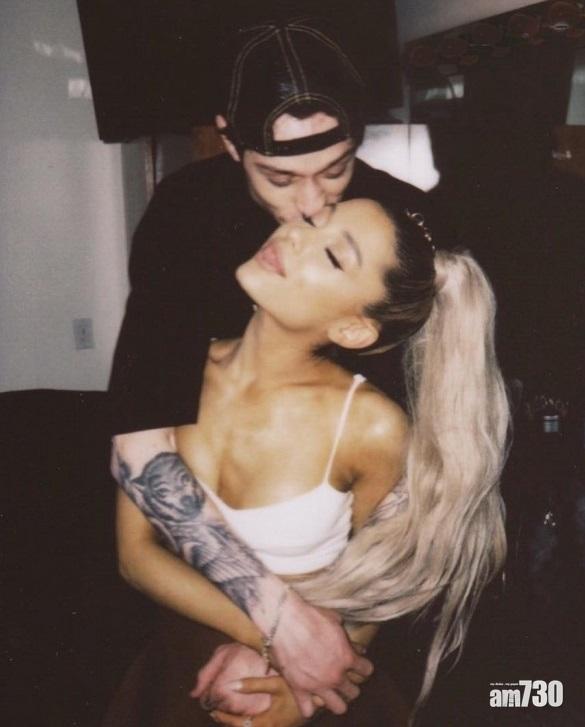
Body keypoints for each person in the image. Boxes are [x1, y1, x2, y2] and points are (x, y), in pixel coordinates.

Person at [108, 18, 440, 718]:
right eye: (280, 177)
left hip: (345, 624)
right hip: (217, 613)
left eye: (335, 168)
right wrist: (276, 625)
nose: (310, 207)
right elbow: (141, 454)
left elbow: (402, 525)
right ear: (231, 142)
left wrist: (307, 668)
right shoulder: (185, 216)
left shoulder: (396, 226)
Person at [104, 197, 510, 727]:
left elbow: (377, 587)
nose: (294, 235)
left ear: (353, 330)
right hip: (184, 662)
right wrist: (273, 640)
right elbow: (134, 555)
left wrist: (301, 690)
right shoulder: (168, 366)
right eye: (313, 220)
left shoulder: (369, 425)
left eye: (334, 256)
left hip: (313, 686)